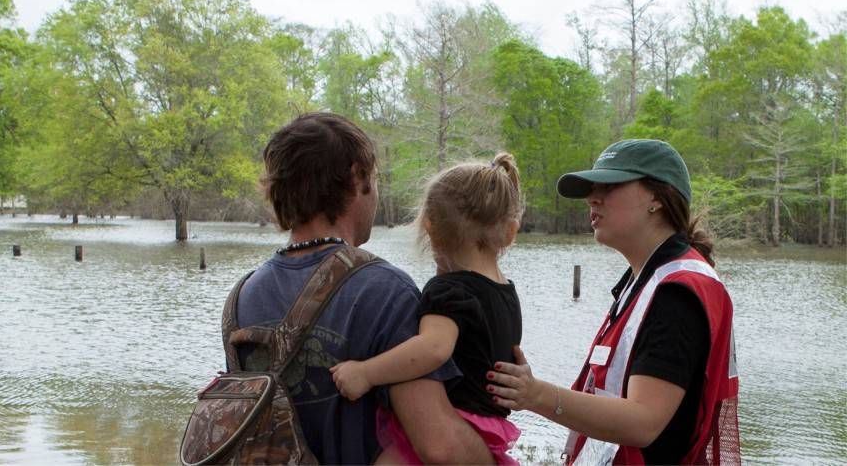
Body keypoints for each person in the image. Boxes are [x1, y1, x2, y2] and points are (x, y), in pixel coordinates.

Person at [236, 112, 493, 464]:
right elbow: (441, 447)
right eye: (374, 177)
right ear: (357, 178)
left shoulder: (244, 294)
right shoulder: (385, 291)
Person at [488, 139, 741, 465]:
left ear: (656, 197)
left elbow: (643, 422)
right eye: (593, 187)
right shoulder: (647, 280)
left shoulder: (676, 293)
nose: (593, 198)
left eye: (610, 185)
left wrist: (535, 394)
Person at [330, 153, 526, 465]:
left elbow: (432, 349)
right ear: (510, 232)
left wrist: (365, 372)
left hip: (457, 420)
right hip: (490, 428)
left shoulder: (449, 290)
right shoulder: (507, 292)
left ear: (431, 229)